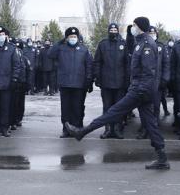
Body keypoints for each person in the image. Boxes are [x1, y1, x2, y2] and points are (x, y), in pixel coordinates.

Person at [66, 17, 170, 170]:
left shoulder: (147, 45)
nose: (132, 28)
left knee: (113, 112)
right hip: (143, 90)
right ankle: (162, 158)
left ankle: (82, 132)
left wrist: (139, 90)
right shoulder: (141, 42)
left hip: (141, 90)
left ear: (140, 27)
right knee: (150, 124)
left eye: (134, 25)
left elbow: (149, 72)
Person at [48, 27, 93, 137]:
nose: (73, 38)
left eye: (74, 36)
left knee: (77, 107)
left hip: (79, 84)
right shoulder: (61, 48)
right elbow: (50, 54)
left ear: (77, 37)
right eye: (70, 36)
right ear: (67, 38)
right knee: (65, 108)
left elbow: (89, 65)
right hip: (65, 83)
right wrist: (60, 42)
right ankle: (66, 129)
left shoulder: (84, 49)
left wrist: (89, 80)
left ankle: (77, 128)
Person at [93, 23, 128, 138]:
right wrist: (97, 77)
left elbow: (127, 64)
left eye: (115, 30)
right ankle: (107, 129)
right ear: (108, 31)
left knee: (119, 107)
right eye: (111, 30)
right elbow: (97, 62)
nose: (113, 32)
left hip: (120, 83)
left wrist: (127, 80)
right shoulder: (103, 44)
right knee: (107, 107)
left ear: (118, 31)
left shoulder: (123, 44)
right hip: (106, 82)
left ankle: (117, 129)